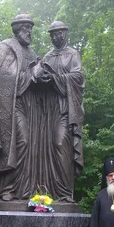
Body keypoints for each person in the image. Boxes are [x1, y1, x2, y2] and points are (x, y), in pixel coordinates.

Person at [0, 14, 40, 200]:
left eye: (31, 28)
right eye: (26, 28)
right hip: (10, 105)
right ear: (17, 29)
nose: (29, 32)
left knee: (30, 144)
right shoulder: (6, 47)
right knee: (20, 142)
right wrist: (30, 74)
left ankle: (25, 188)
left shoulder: (32, 53)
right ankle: (7, 188)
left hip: (30, 106)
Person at [37, 21, 84, 202]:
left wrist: (56, 79)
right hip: (47, 110)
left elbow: (78, 77)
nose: (56, 37)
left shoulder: (72, 54)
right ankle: (46, 191)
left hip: (64, 108)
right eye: (53, 34)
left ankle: (65, 192)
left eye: (59, 33)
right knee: (44, 149)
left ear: (65, 34)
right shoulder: (47, 56)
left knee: (59, 143)